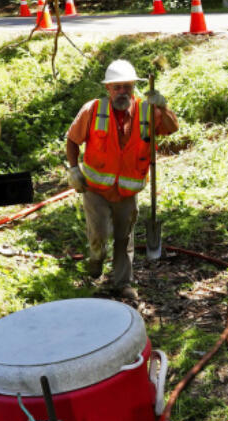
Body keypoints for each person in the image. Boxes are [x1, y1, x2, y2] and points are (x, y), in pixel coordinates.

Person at [65, 59, 178, 299]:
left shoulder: (146, 111)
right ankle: (96, 258)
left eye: (127, 86)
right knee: (98, 235)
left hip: (127, 192)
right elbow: (73, 139)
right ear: (108, 89)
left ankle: (123, 283)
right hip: (95, 189)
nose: (122, 92)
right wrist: (73, 169)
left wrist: (163, 107)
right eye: (116, 87)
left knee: (123, 237)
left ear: (133, 87)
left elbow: (171, 128)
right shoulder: (93, 109)